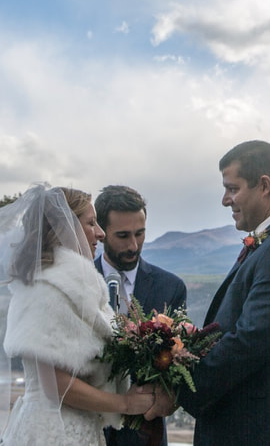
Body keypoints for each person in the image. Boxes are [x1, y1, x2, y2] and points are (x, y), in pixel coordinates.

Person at [0, 184, 155, 446]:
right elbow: (56, 384)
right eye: (91, 223)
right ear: (64, 229)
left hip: (79, 429)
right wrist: (124, 403)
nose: (100, 233)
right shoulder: (45, 290)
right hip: (51, 433)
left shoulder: (76, 288)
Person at [144, 140, 270, 445]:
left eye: (232, 188)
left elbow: (250, 341)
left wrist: (181, 390)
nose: (225, 200)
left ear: (264, 185)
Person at [94, 184, 187, 446]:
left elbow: (177, 364)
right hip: (87, 427)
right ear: (101, 233)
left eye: (140, 233)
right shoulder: (81, 283)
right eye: (123, 236)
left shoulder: (171, 287)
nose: (134, 245)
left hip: (145, 435)